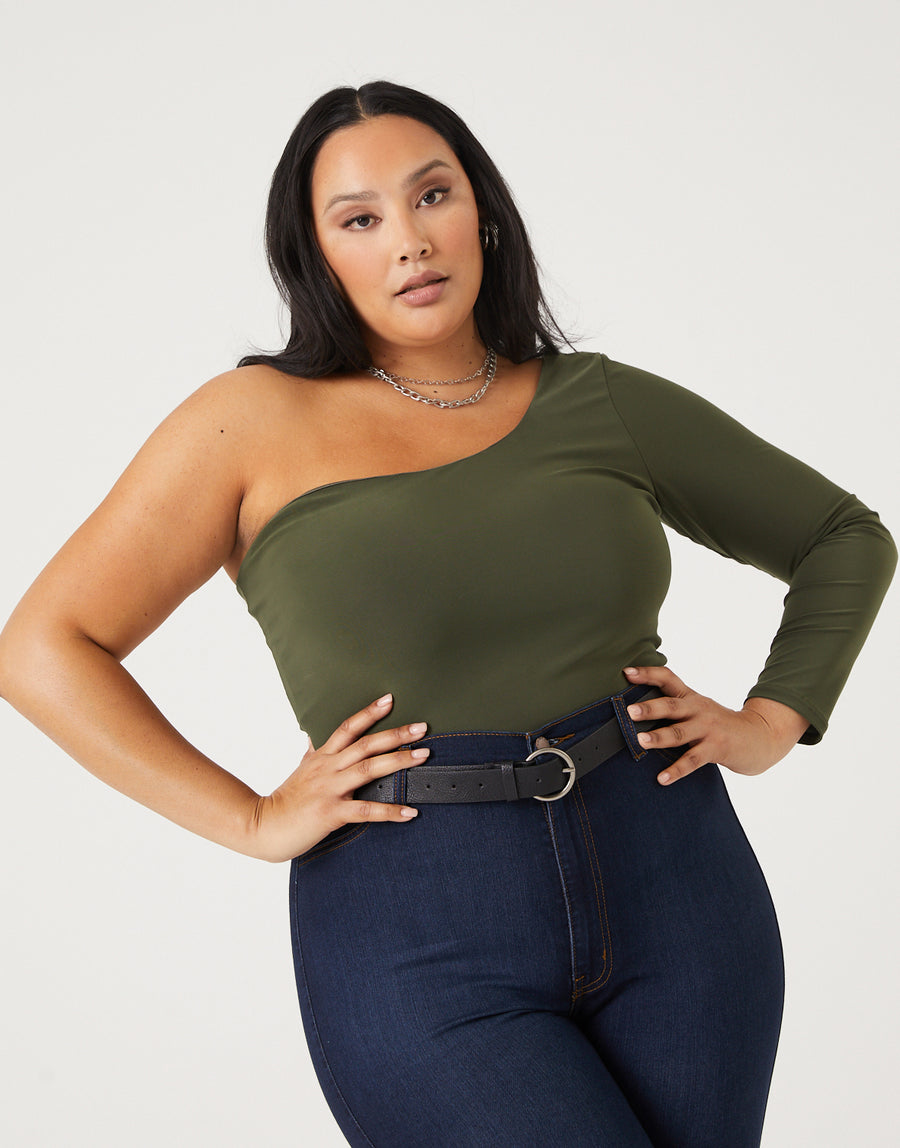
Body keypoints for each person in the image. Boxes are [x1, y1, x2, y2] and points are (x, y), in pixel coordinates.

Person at [0, 79, 894, 1148]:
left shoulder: (594, 399)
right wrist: (251, 818)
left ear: (484, 215)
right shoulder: (248, 423)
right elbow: (43, 648)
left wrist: (772, 720)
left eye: (433, 196)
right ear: (315, 254)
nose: (410, 241)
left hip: (678, 885)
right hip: (417, 920)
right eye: (360, 218)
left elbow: (844, 536)